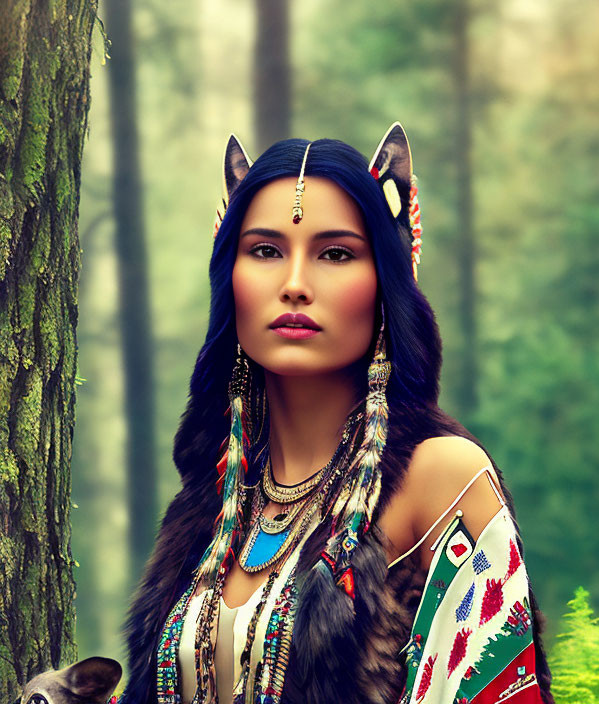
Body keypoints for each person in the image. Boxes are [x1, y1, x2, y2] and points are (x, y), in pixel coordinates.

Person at [121, 124, 554, 704]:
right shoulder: (213, 496)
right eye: (266, 251)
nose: (295, 284)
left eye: (336, 253)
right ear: (231, 276)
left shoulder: (443, 478)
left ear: (387, 280)